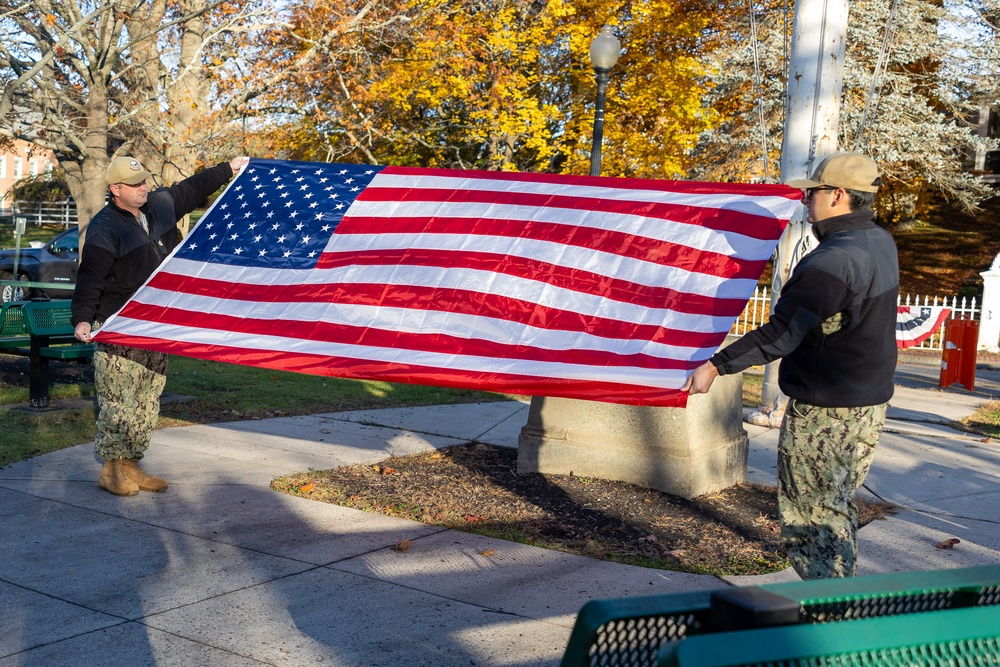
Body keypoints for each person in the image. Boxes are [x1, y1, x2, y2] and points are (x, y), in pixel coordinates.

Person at [682, 152, 898, 579]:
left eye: (811, 192)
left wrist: (716, 366)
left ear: (838, 195)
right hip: (866, 407)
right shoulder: (879, 241)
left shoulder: (831, 261)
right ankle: (839, 606)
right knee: (834, 506)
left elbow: (783, 333)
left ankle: (826, 621)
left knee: (812, 515)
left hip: (826, 413)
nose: (804, 200)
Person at [72, 155, 248, 496]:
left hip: (155, 326)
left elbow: (192, 188)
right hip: (119, 324)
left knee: (147, 398)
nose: (144, 189)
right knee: (119, 401)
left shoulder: (160, 205)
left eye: (144, 182)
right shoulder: (105, 228)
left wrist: (229, 168)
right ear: (115, 189)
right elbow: (90, 276)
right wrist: (82, 317)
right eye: (135, 185)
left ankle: (133, 464)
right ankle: (111, 469)